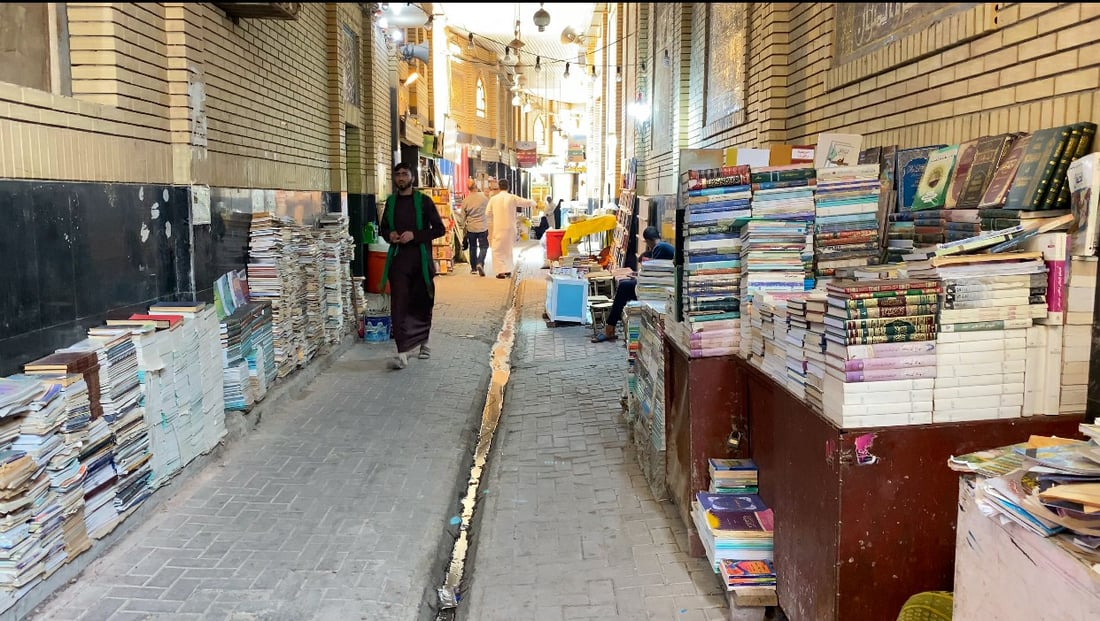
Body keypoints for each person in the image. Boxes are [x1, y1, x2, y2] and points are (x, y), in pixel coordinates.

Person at [378, 162, 446, 369]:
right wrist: (390, 235)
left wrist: (415, 235)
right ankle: (402, 353)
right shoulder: (390, 203)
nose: (401, 178)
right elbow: (384, 228)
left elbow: (439, 229)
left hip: (421, 262)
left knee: (422, 303)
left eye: (404, 174)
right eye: (397, 174)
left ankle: (423, 342)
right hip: (398, 261)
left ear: (412, 177)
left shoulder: (424, 202)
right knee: (399, 304)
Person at [592, 226, 674, 343]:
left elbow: (654, 274)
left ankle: (610, 329)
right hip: (661, 284)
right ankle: (612, 327)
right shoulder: (663, 246)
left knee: (623, 287)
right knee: (624, 286)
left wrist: (639, 276)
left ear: (648, 241)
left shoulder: (659, 248)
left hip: (658, 288)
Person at [486, 178, 535, 279]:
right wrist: (533, 203)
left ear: (499, 187)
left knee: (497, 249)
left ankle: (501, 272)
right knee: (508, 249)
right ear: (508, 187)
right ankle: (507, 269)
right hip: (510, 228)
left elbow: (487, 213)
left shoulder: (493, 199)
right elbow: (524, 202)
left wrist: (493, 218)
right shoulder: (512, 197)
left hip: (498, 227)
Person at [461, 178, 489, 276]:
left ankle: (473, 268)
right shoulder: (484, 197)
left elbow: (462, 217)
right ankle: (480, 262)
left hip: (471, 228)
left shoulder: (465, 200)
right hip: (483, 227)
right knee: (484, 246)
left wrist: (462, 226)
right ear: (476, 186)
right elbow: (489, 210)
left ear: (468, 189)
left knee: (473, 247)